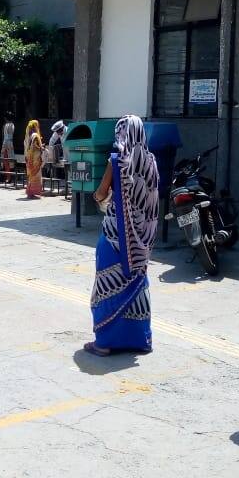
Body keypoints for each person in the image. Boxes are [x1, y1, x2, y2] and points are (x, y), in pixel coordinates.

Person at [83, 115, 160, 357]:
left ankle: (104, 342)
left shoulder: (117, 161)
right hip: (142, 241)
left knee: (108, 285)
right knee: (137, 286)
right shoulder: (151, 162)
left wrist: (97, 198)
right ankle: (140, 340)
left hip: (116, 235)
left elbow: (101, 192)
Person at [24, 119, 44, 198]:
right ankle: (32, 193)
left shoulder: (28, 135)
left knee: (31, 176)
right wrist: (41, 148)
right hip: (35, 159)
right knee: (35, 176)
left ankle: (30, 192)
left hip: (29, 159)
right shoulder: (35, 135)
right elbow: (35, 147)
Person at [1, 114, 15, 183]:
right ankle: (8, 177)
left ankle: (8, 177)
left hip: (6, 143)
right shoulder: (11, 125)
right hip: (9, 143)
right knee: (8, 161)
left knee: (6, 161)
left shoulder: (7, 125)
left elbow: (6, 136)